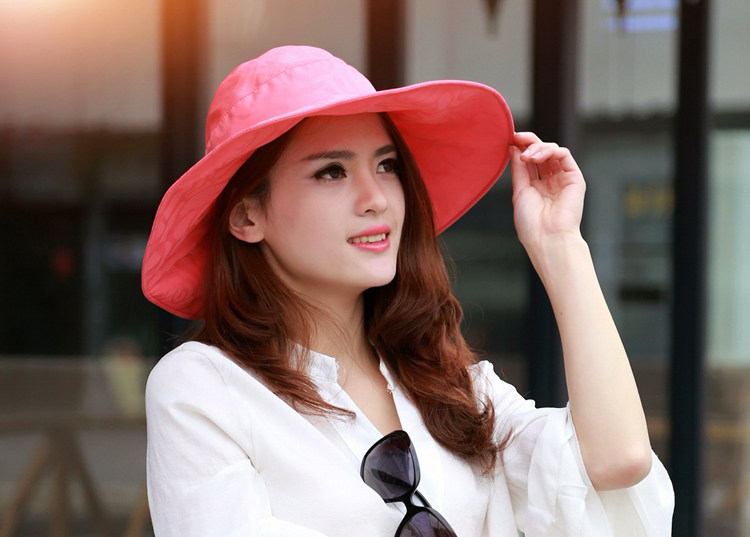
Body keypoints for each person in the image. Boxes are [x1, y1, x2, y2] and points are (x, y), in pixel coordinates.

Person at [141, 45, 674, 537]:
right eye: (331, 172)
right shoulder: (204, 388)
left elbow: (617, 462)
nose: (375, 197)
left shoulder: (448, 383)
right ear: (246, 216)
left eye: (386, 165)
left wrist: (560, 246)